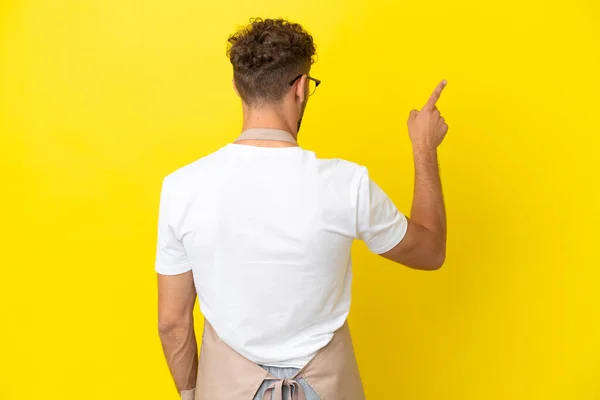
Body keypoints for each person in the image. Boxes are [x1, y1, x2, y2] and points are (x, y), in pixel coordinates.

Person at [155, 18, 448, 400]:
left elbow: (172, 322)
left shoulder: (183, 187)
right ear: (301, 88)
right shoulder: (346, 184)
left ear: (238, 89)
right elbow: (429, 252)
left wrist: (192, 393)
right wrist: (424, 148)